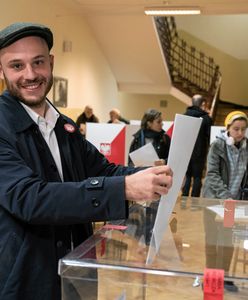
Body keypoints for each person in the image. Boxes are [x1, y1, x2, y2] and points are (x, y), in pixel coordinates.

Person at [0, 22, 173, 300]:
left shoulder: (64, 126)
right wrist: (124, 188)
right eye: (17, 66)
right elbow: (30, 198)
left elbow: (103, 170)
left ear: (51, 63)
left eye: (38, 62)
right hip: (27, 281)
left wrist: (148, 176)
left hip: (76, 273)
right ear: (1, 70)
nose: (30, 74)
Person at [202, 110, 248, 292]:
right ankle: (212, 279)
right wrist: (225, 196)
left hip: (232, 205)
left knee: (228, 242)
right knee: (212, 241)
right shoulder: (217, 146)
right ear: (228, 128)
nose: (239, 133)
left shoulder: (246, 148)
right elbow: (212, 174)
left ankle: (226, 278)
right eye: (236, 129)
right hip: (214, 202)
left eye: (243, 129)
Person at [181, 94, 212, 197]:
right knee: (197, 176)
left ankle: (184, 197)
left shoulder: (184, 115)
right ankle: (195, 200)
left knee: (188, 175)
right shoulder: (206, 118)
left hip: (186, 150)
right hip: (200, 151)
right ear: (202, 103)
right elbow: (208, 136)